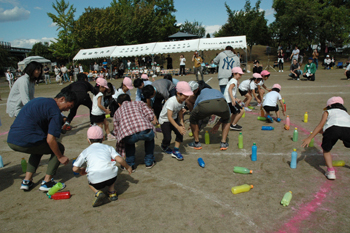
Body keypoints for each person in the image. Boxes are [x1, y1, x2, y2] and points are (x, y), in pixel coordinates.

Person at [7, 90, 76, 191]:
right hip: (25, 141)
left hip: (12, 139)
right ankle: (47, 182)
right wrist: (60, 157)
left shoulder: (40, 101)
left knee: (38, 147)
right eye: (69, 106)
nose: (67, 110)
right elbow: (50, 140)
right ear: (62, 99)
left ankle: (27, 180)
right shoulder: (55, 112)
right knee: (58, 147)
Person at [73, 126, 132, 207]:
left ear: (88, 140)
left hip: (95, 180)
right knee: (112, 169)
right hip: (111, 178)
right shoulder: (108, 148)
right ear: (103, 138)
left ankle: (98, 192)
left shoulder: (85, 151)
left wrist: (80, 171)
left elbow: (75, 168)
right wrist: (128, 167)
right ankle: (112, 192)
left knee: (90, 183)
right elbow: (120, 160)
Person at [301, 97, 350, 180]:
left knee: (326, 149)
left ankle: (331, 172)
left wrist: (310, 138)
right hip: (348, 129)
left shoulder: (327, 112)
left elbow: (321, 126)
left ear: (329, 106)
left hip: (333, 130)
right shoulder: (345, 113)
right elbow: (340, 126)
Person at [113, 94, 157, 171]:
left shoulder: (117, 112)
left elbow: (116, 130)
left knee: (128, 143)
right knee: (150, 138)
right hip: (144, 129)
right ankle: (149, 162)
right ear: (130, 100)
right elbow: (150, 115)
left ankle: (130, 164)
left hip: (128, 133)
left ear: (119, 104)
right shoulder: (139, 103)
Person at [159, 82, 193, 161]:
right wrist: (178, 127)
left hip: (173, 118)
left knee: (180, 133)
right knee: (167, 138)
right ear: (178, 93)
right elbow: (169, 117)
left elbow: (180, 111)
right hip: (165, 120)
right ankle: (164, 146)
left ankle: (176, 151)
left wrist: (181, 123)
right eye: (185, 95)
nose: (187, 97)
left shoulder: (182, 100)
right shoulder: (171, 101)